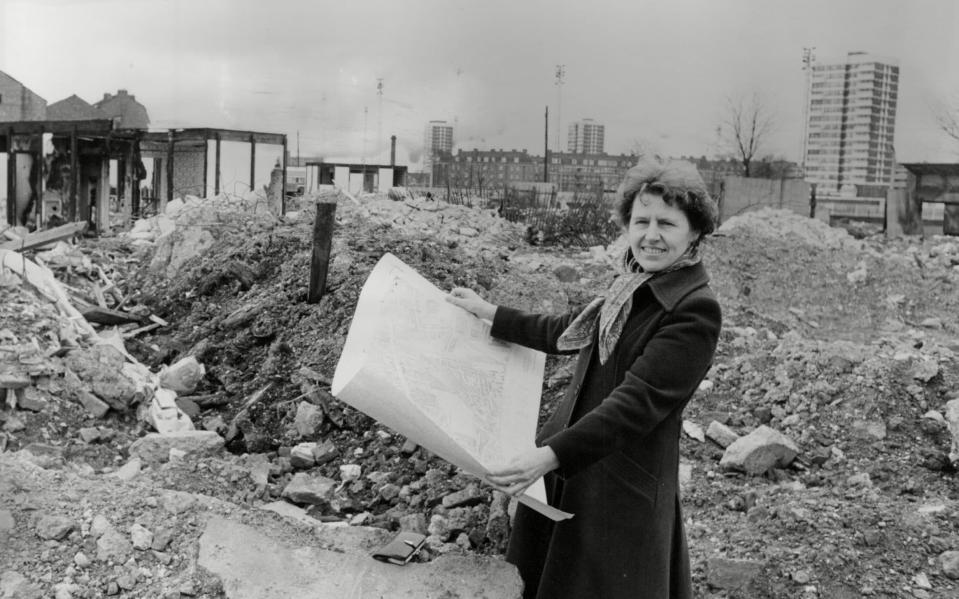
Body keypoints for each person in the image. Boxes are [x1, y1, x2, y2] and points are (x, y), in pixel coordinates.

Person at [446, 159, 722, 599]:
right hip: (573, 470)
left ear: (695, 231)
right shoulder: (629, 287)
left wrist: (552, 455)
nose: (651, 234)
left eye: (667, 223)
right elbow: (565, 330)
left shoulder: (693, 309)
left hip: (618, 487)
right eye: (641, 221)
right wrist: (491, 313)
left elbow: (638, 403)